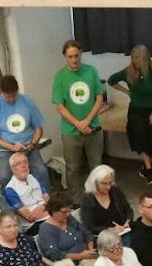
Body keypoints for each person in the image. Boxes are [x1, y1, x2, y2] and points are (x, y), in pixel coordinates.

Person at [51, 41, 106, 192]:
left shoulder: (91, 71)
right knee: (73, 168)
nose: (74, 60)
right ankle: (75, 200)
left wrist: (87, 121)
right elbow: (60, 106)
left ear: (81, 54)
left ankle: (98, 196)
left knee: (96, 167)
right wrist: (78, 124)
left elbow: (99, 98)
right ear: (65, 57)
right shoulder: (60, 77)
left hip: (93, 129)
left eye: (76, 56)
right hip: (70, 132)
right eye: (70, 57)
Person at [107, 47, 152, 182]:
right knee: (140, 132)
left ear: (144, 58)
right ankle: (149, 169)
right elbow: (111, 80)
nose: (134, 60)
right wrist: (126, 92)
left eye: (137, 57)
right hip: (136, 110)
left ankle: (146, 166)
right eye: (132, 57)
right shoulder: (129, 72)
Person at [0, 75, 50, 190]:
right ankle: (8, 206)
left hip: (28, 147)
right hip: (5, 150)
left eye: (13, 96)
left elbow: (38, 129)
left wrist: (32, 145)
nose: (11, 99)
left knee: (41, 171)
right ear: (1, 92)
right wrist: (11, 147)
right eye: (8, 97)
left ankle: (45, 200)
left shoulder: (27, 101)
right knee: (4, 177)